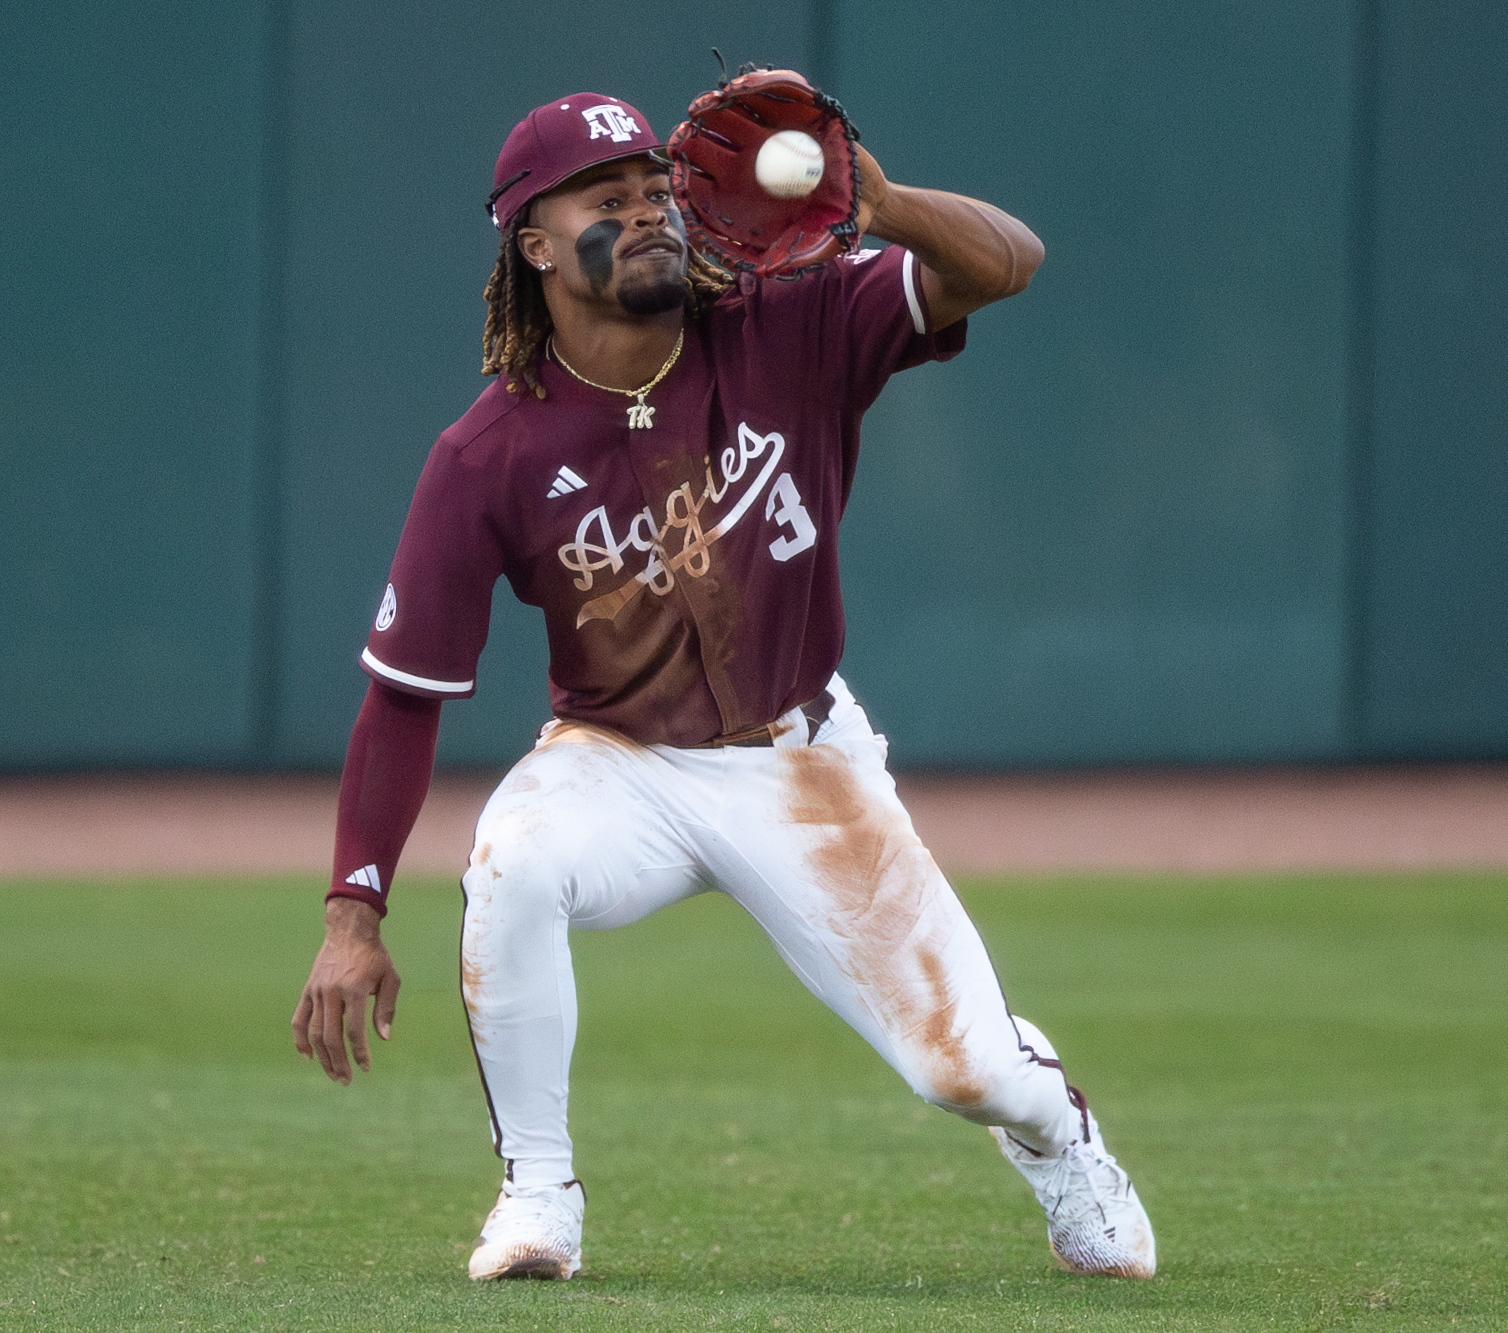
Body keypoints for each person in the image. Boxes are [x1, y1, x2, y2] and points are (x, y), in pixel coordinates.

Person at [291, 87, 1155, 1282]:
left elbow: (1009, 265)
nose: (645, 210)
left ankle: (1061, 1139)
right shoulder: (486, 454)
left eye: (656, 188)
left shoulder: (783, 324)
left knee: (966, 1074)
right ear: (532, 245)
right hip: (620, 764)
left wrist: (887, 203)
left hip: (799, 761)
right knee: (512, 860)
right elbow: (403, 695)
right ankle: (538, 1194)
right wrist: (353, 917)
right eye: (607, 198)